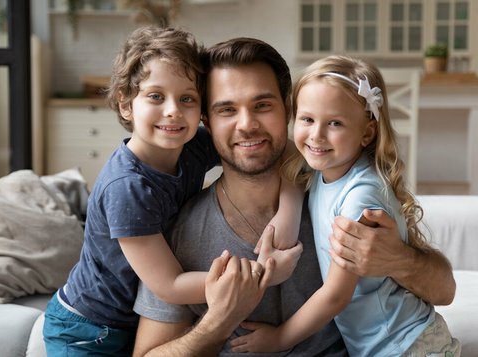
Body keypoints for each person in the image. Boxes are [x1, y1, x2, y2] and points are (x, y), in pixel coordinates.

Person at [132, 39, 456, 357]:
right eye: (227, 110)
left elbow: (445, 290)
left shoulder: (336, 188)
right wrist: (219, 321)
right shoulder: (182, 232)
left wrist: (400, 259)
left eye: (262, 105)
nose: (247, 124)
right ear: (207, 122)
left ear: (288, 111)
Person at [42, 27, 299, 357]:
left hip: (132, 317)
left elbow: (284, 149)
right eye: (155, 96)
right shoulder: (128, 188)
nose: (173, 111)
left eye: (187, 98)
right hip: (87, 326)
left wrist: (287, 213)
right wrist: (255, 276)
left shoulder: (190, 146)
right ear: (124, 105)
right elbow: (169, 285)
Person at [230, 55, 461, 356]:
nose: (316, 135)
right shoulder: (326, 166)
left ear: (367, 132)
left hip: (405, 343)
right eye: (307, 119)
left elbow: (336, 296)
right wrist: (287, 214)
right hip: (381, 344)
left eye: (335, 123)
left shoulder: (360, 198)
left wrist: (279, 339)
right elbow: (287, 147)